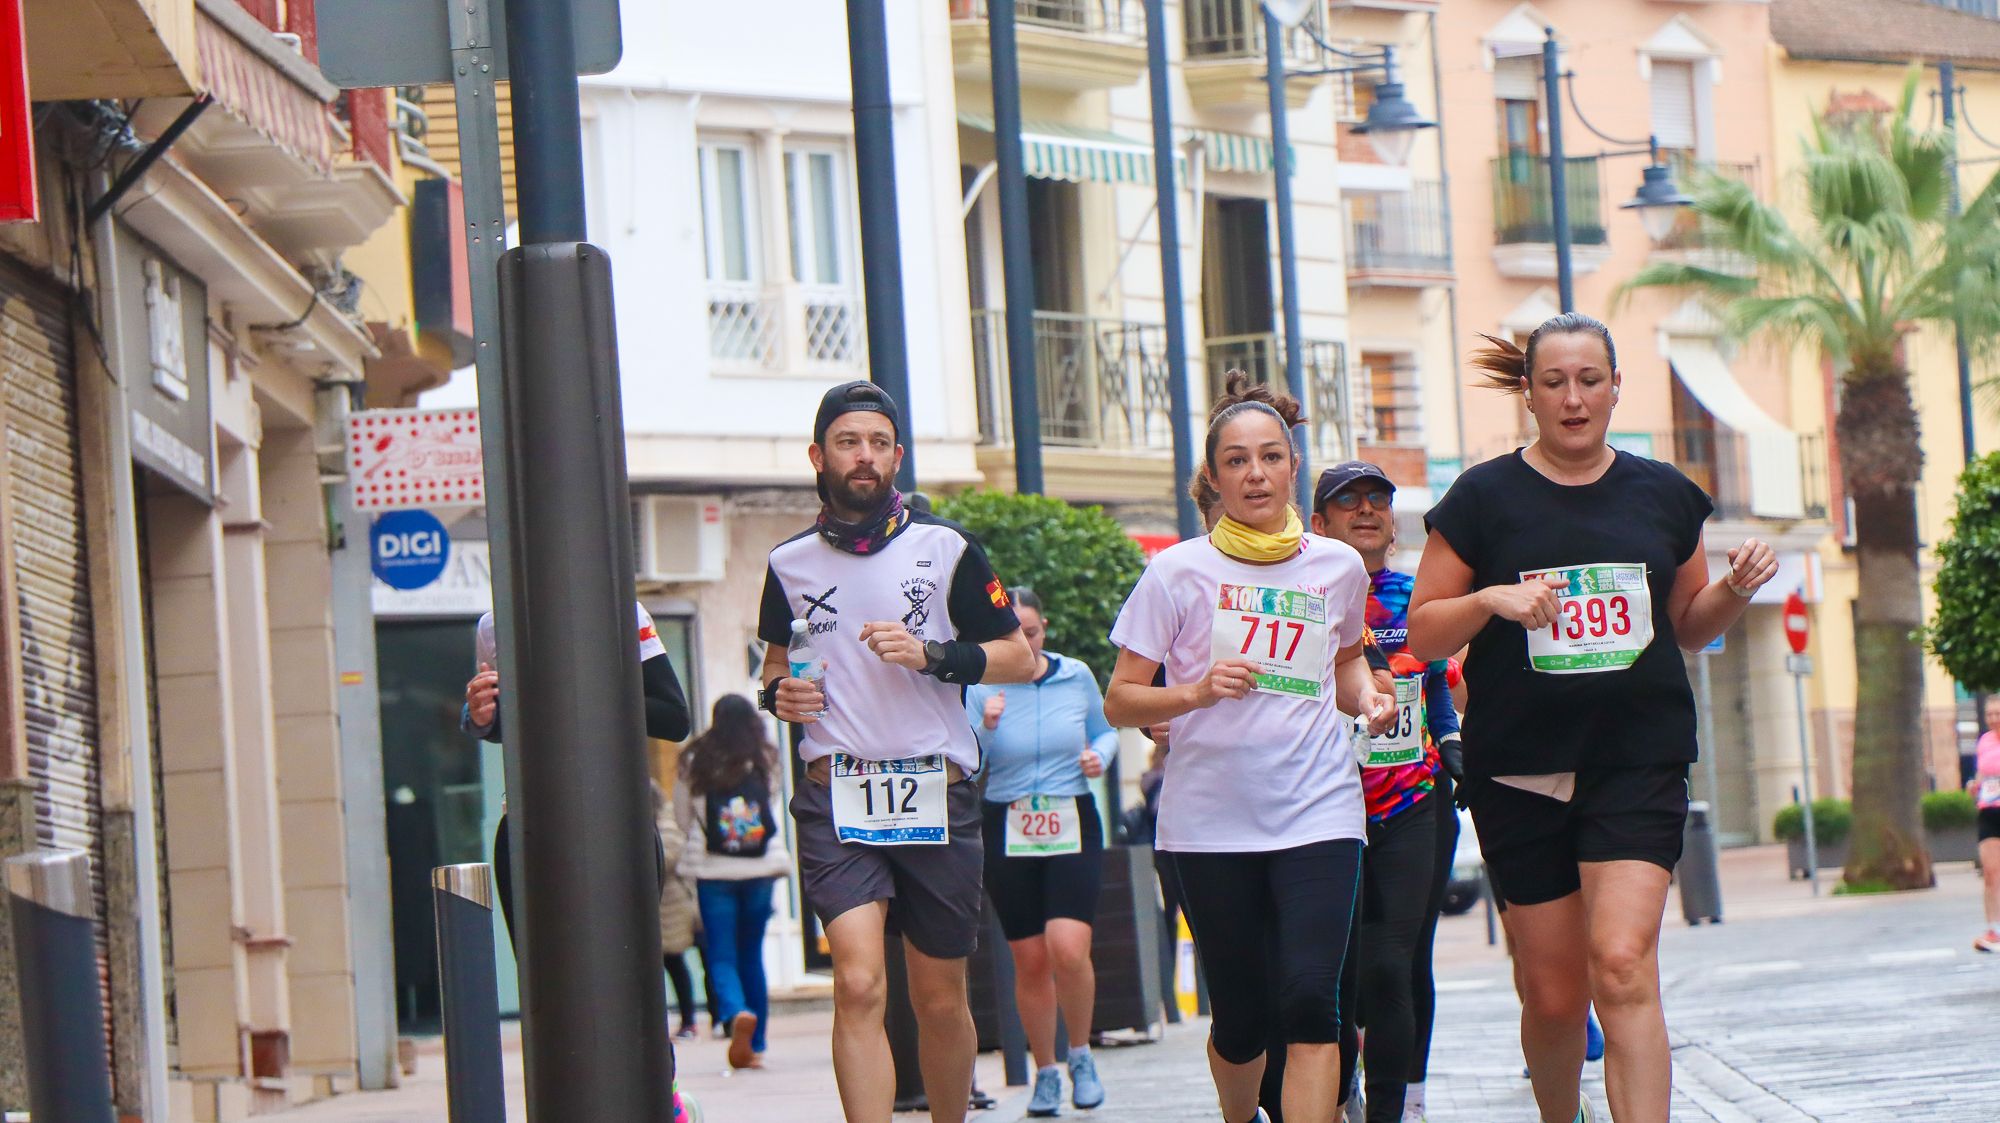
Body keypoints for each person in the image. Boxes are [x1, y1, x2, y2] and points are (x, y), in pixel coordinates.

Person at [1406, 316, 1777, 1123]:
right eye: (1554, 382)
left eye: (1589, 380)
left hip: (1635, 760)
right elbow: (1423, 630)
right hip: (1520, 770)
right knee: (1552, 995)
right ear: (1530, 394)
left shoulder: (1666, 494)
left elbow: (1688, 623)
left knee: (1621, 963)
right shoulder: (1481, 498)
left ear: (1615, 387)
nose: (1573, 398)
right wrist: (1488, 599)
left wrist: (1738, 590)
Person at [1104, 372, 1394, 1123]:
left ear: (1295, 466)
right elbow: (1121, 698)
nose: (1255, 473)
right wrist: (1195, 692)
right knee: (1239, 1021)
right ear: (1213, 476)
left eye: (1270, 456)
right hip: (1211, 822)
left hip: (1319, 811)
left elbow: (1344, 664)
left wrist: (1369, 697)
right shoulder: (1175, 572)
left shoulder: (1335, 566)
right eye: (1237, 460)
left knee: (1310, 1002)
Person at [757, 380, 1035, 1123]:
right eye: (850, 441)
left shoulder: (945, 548)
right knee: (857, 982)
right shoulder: (788, 564)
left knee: (939, 996)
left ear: (897, 457)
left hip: (934, 786)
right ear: (819, 456)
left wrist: (933, 654)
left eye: (879, 443)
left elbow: (1019, 659)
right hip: (835, 788)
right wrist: (778, 694)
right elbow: (776, 666)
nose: (865, 455)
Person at [1309, 462, 1463, 1123]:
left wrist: (1453, 744)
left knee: (1395, 961)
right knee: (1339, 976)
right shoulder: (1307, 597)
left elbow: (1433, 686)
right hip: (1327, 805)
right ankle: (1343, 1095)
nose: (1366, 509)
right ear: (1320, 524)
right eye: (1349, 502)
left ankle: (1401, 1106)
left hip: (1411, 799)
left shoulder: (1416, 598)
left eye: (1378, 500)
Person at [963, 587, 1117, 1115]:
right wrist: (985, 727)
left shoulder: (1075, 675)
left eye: (1030, 632)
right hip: (1007, 821)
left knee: (1068, 946)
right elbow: (967, 764)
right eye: (1014, 635)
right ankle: (1045, 1071)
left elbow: (1106, 730)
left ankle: (1081, 1054)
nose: (1024, 642)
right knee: (1028, 958)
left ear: (1043, 628)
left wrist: (1099, 755)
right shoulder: (982, 685)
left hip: (1070, 815)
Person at [462, 601, 693, 945]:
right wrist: (480, 717)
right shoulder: (493, 625)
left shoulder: (621, 612)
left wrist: (582, 689)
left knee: (625, 964)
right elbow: (503, 723)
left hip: (614, 819)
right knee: (539, 965)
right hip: (530, 822)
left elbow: (674, 719)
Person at [677, 694, 794, 1069]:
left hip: (715, 872)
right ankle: (756, 1043)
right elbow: (771, 802)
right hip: (759, 869)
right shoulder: (765, 756)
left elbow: (683, 815)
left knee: (721, 953)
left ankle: (734, 1011)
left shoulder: (695, 759)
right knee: (751, 954)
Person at [655, 781, 706, 1041]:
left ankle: (692, 1019)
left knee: (675, 962)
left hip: (673, 908)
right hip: (662, 909)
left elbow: (668, 857)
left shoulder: (666, 825)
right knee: (668, 964)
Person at [1968, 696, 2000, 952]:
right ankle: (1994, 931)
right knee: (1991, 873)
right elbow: (1982, 774)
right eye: (1989, 714)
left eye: (1997, 714)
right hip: (1989, 811)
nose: (1992, 719)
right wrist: (1974, 786)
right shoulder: (1984, 741)